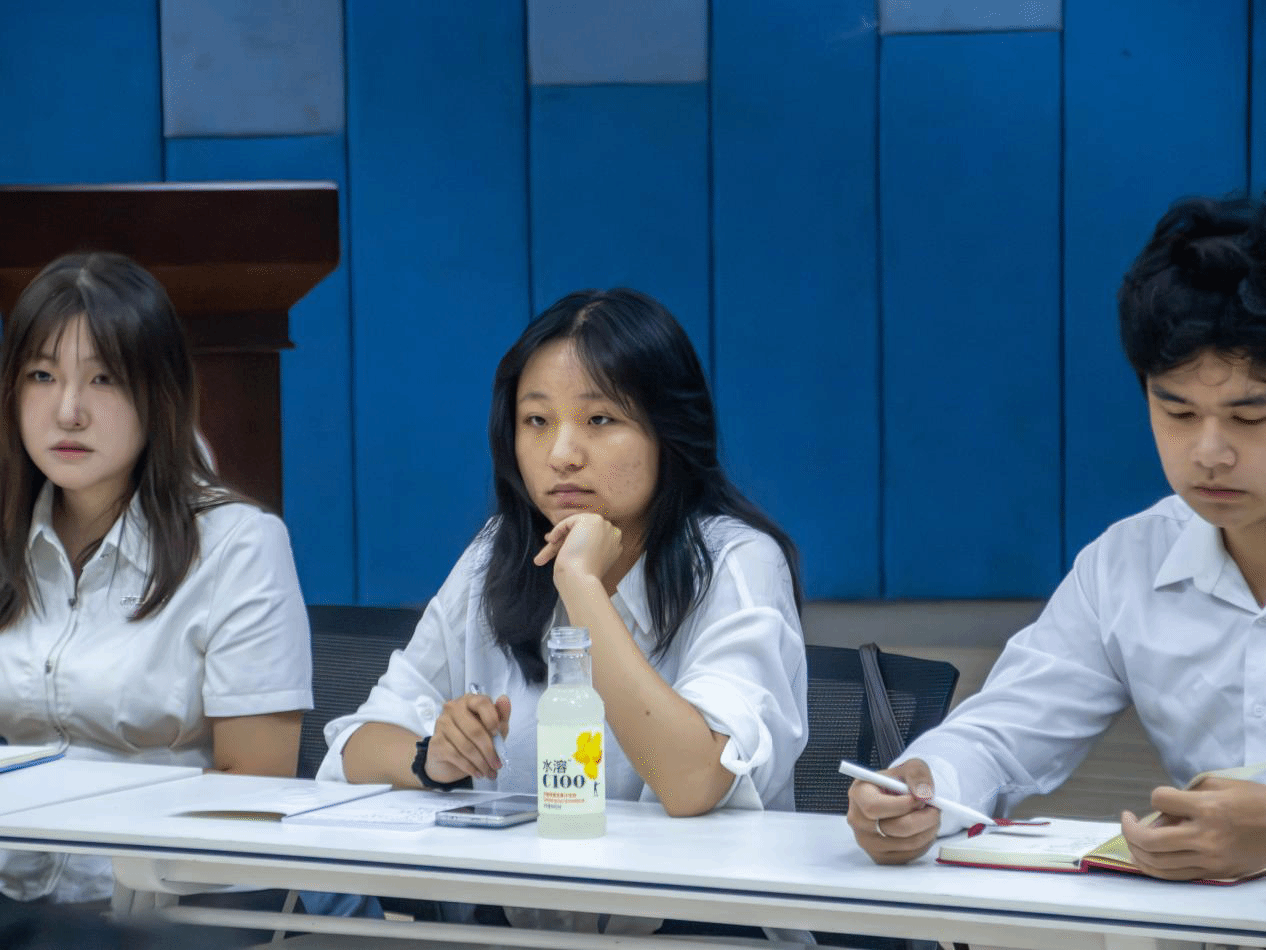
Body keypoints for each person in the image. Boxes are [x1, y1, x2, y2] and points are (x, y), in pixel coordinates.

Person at [847, 194, 1266, 884]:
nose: (1209, 453)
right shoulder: (1130, 564)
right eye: (1178, 412)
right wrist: (921, 787)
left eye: (1250, 418)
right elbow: (1004, 733)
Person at [320, 287, 806, 813]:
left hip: (684, 871)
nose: (561, 455)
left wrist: (580, 584)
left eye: (599, 420)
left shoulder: (737, 563)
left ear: (669, 433)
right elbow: (355, 748)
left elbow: (693, 782)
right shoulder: (495, 556)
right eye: (537, 421)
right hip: (526, 869)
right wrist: (432, 759)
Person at [0, 252, 313, 904]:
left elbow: (254, 790)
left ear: (160, 393)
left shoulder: (238, 546)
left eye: (105, 379)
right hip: (17, 895)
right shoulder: (8, 537)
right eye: (42, 375)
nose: (68, 411)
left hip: (169, 904)